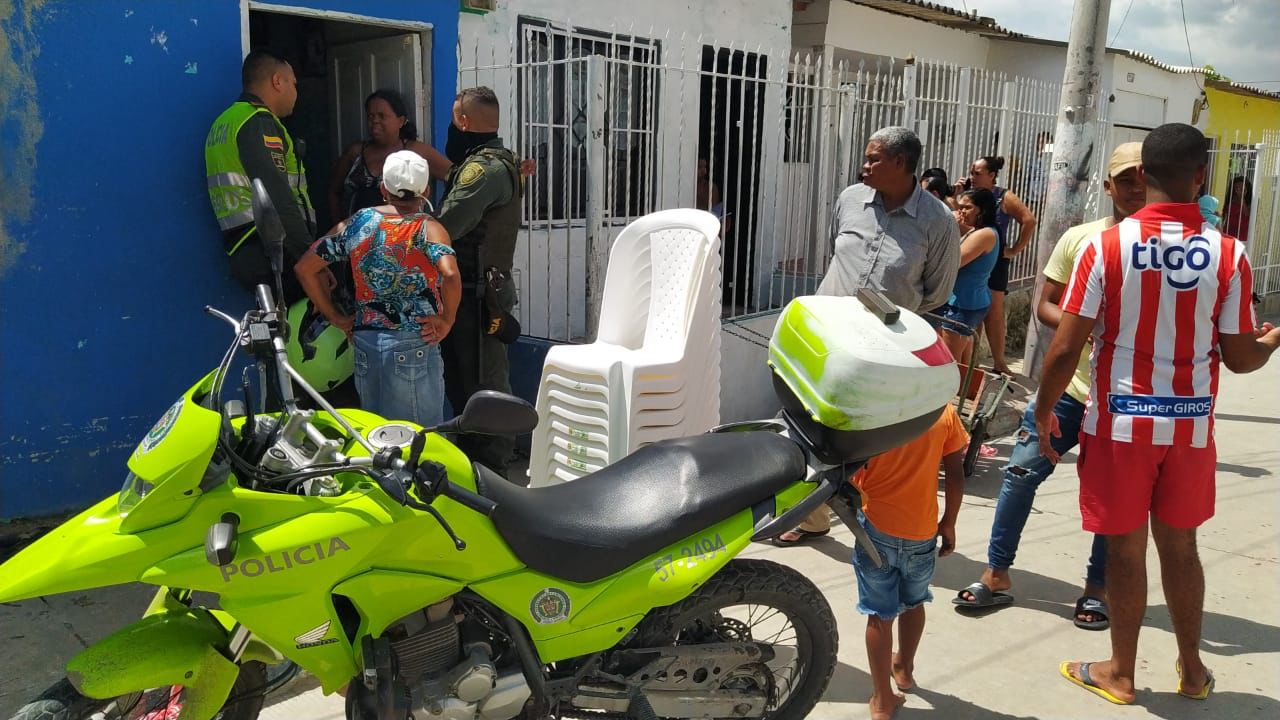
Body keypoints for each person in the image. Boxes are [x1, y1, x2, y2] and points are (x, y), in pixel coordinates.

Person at [1040, 123, 1280, 705]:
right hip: (1190, 428)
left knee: (1126, 551)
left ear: (1143, 173)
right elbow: (1241, 358)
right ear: (1201, 176)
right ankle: (1193, 671)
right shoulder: (1229, 254)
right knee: (1182, 548)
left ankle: (1120, 673)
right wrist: (1272, 341)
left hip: (1120, 424)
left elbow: (1066, 346)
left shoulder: (1105, 247)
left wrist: (1043, 412)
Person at [954, 143, 1146, 630]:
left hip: (1128, 398)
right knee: (1020, 473)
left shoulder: (1169, 248)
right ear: (1108, 186)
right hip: (1069, 389)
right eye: (1126, 179)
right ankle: (996, 573)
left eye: (1146, 178)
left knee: (1111, 495)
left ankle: (1096, 589)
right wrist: (1087, 325)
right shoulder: (1080, 239)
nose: (1137, 188)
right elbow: (1046, 304)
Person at [776, 126, 960, 546]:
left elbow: (938, 292)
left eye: (873, 158)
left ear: (900, 163)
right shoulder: (850, 200)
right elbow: (835, 252)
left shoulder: (938, 221)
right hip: (827, 338)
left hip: (883, 353)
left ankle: (880, 527)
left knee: (868, 435)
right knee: (810, 423)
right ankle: (811, 516)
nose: (864, 166)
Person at [294, 151, 460, 427]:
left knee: (378, 436)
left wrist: (336, 318)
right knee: (419, 438)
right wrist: (447, 320)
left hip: (365, 342)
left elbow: (305, 268)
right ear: (426, 191)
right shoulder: (429, 228)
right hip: (413, 341)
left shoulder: (359, 223)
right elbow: (450, 274)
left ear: (383, 189)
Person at [851, 404, 968, 720]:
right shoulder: (944, 412)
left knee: (879, 614)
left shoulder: (873, 408)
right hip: (921, 532)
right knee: (914, 603)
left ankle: (882, 700)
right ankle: (903, 669)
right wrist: (949, 522)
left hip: (875, 529)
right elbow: (955, 475)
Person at [436, 87, 524, 475]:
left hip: (477, 296)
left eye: (454, 119)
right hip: (480, 291)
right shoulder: (499, 162)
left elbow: (447, 226)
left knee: (481, 387)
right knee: (470, 382)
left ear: (463, 121)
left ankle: (491, 471)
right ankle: (479, 465)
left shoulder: (483, 170)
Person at [206, 50, 316, 302]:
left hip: (241, 247)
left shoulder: (224, 122)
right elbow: (278, 195)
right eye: (293, 84)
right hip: (274, 248)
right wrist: (308, 257)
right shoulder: (258, 121)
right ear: (277, 81)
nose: (296, 92)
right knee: (303, 322)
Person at [327, 89, 452, 226]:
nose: (375, 121)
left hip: (403, 234)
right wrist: (340, 227)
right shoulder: (355, 153)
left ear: (401, 121)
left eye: (382, 116)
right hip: (357, 234)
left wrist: (443, 218)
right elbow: (334, 191)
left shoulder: (415, 151)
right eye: (370, 116)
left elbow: (456, 177)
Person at [963, 156, 1036, 375]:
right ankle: (971, 362)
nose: (972, 177)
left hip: (995, 260)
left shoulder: (1004, 196)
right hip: (974, 256)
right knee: (972, 307)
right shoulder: (970, 193)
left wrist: (1014, 249)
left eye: (977, 173)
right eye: (972, 172)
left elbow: (1029, 220)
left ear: (992, 175)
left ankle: (999, 362)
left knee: (993, 311)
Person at [931, 188, 999, 365]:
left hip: (964, 304)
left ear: (982, 209)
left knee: (948, 361)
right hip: (963, 301)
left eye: (967, 207)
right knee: (960, 360)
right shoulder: (977, 231)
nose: (961, 211)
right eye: (959, 207)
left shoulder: (984, 234)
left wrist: (950, 226)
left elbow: (953, 262)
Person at [1221, 175, 1252, 242]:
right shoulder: (1231, 199)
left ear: (1246, 188)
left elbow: (1247, 214)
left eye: (1241, 187)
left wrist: (1241, 198)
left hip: (1242, 234)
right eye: (1236, 187)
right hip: (1228, 231)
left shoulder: (1250, 201)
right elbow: (1225, 214)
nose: (1238, 190)